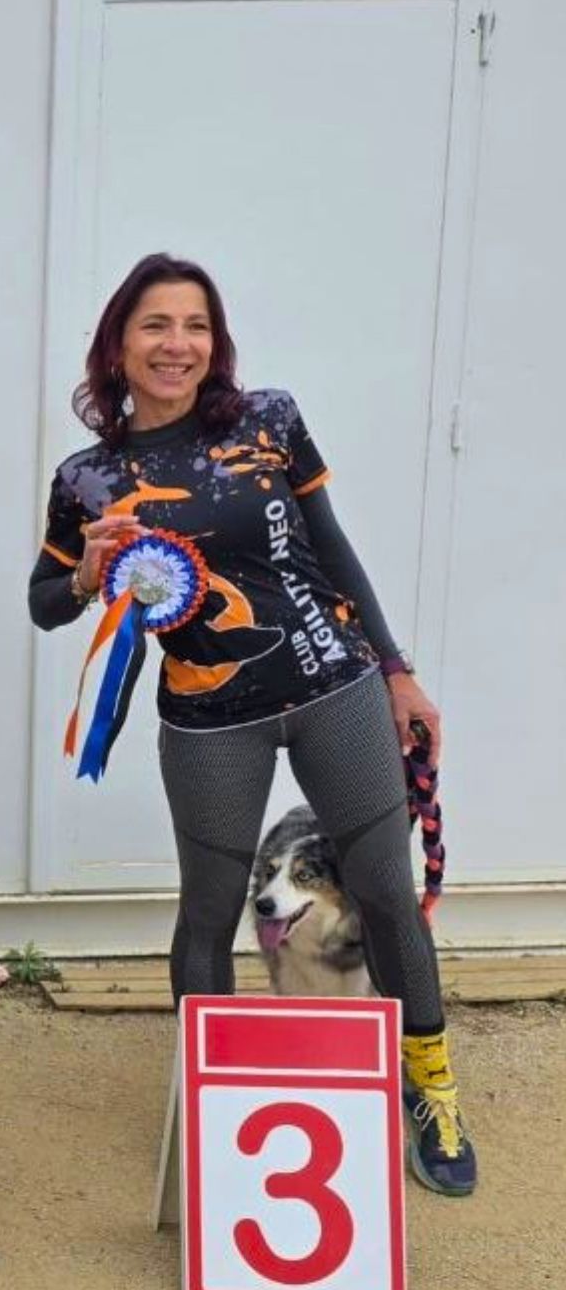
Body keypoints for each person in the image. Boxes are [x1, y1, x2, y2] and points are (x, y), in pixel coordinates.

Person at [27, 251, 475, 1196]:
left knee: (386, 893)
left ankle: (431, 1089)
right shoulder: (88, 478)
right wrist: (87, 574)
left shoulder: (269, 420)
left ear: (215, 343)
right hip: (207, 718)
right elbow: (44, 603)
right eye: (156, 325)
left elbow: (333, 546)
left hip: (334, 686)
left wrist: (397, 673)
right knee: (208, 913)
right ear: (118, 344)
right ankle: (214, 1107)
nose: (177, 345)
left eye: (195, 326)